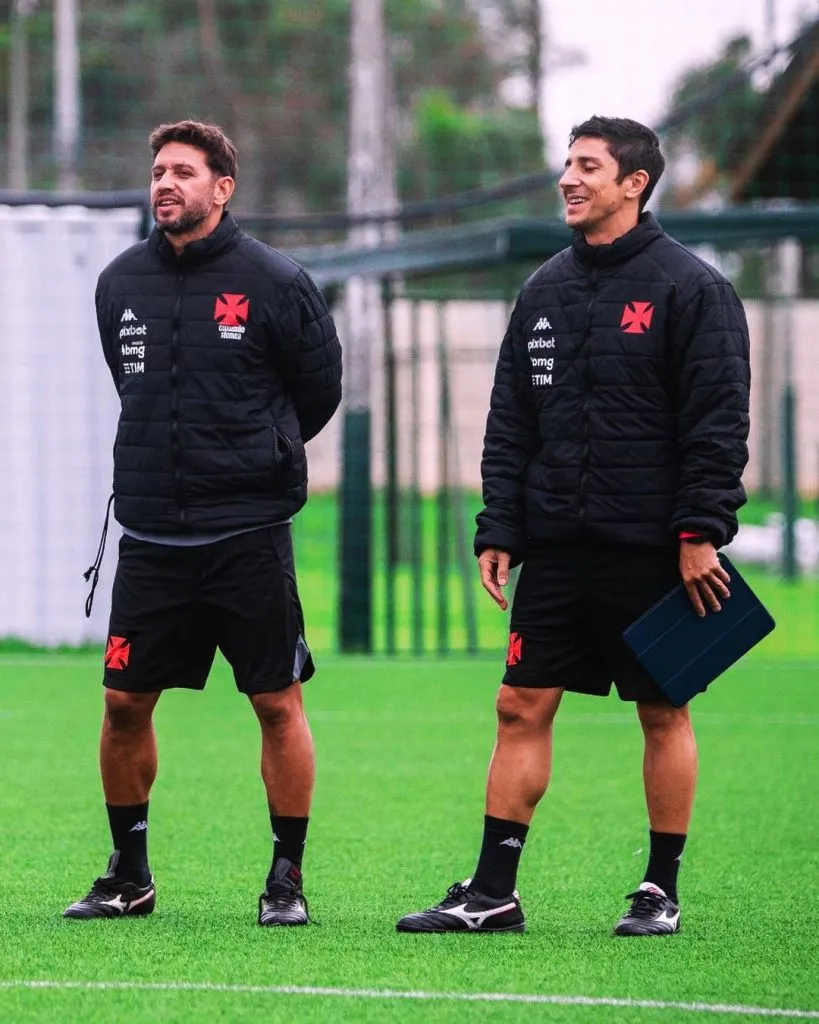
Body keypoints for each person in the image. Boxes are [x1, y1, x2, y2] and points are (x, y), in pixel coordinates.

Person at [396, 116, 750, 936]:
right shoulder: (544, 290)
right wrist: (500, 527)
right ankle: (493, 892)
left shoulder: (691, 289)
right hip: (556, 549)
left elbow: (717, 421)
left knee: (662, 710)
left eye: (587, 165)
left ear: (634, 183)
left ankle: (658, 891)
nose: (567, 178)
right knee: (519, 705)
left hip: (654, 549)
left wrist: (699, 531)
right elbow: (511, 421)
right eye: (566, 164)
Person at [64, 120, 342, 927]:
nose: (165, 183)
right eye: (158, 170)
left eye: (183, 172)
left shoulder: (275, 282)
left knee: (276, 704)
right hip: (151, 536)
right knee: (123, 704)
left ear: (222, 188)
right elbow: (132, 384)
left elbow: (317, 391)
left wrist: (258, 451)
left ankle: (285, 879)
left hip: (247, 536)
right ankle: (129, 875)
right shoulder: (119, 282)